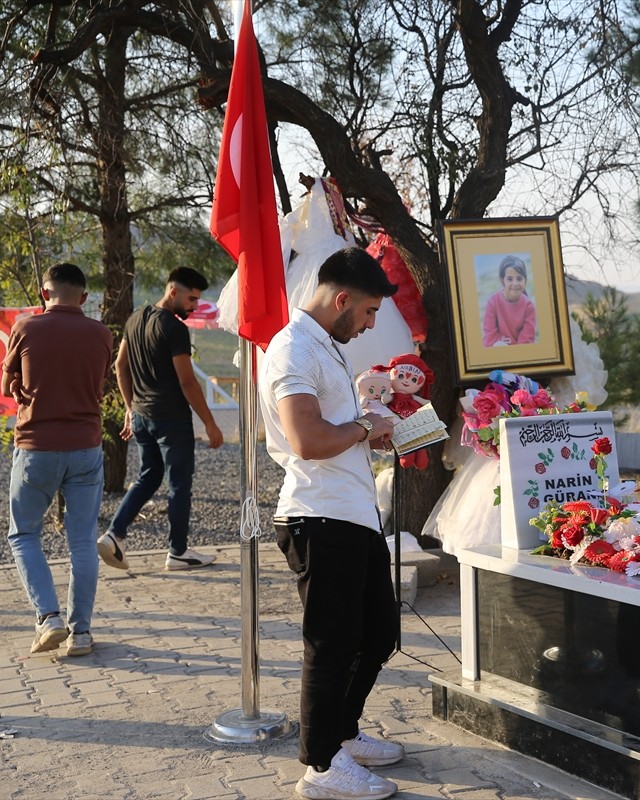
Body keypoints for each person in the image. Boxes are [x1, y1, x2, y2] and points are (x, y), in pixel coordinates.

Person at [261, 247, 404, 800]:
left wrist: (370, 428)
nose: (370, 325)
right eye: (368, 312)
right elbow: (309, 439)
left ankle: (341, 735)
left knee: (377, 634)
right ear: (341, 299)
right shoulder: (293, 347)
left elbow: (335, 429)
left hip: (351, 514)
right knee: (332, 643)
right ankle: (320, 766)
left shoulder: (324, 344)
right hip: (319, 516)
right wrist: (365, 428)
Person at [1, 263, 113, 657]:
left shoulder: (27, 327)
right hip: (86, 447)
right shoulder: (102, 334)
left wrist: (18, 388)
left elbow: (5, 384)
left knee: (24, 534)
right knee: (82, 541)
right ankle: (81, 633)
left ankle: (48, 618)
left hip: (37, 447)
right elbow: (96, 385)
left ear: (43, 294)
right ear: (84, 297)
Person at [97, 267, 223, 572]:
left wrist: (130, 408)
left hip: (142, 416)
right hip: (171, 419)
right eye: (191, 298)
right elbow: (187, 382)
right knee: (179, 485)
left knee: (149, 476)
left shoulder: (135, 318)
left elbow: (119, 365)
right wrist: (210, 423)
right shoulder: (174, 328)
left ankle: (114, 534)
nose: (194, 306)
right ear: (173, 291)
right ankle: (178, 551)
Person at [481, 255, 536, 347]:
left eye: (519, 278)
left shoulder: (529, 307)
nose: (515, 283)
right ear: (502, 281)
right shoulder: (492, 302)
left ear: (525, 280)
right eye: (510, 279)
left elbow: (526, 342)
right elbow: (489, 338)